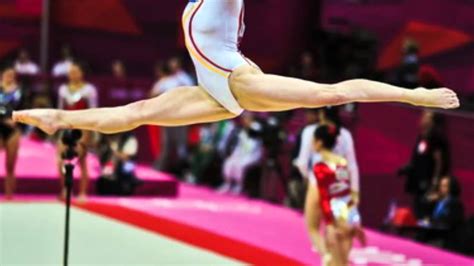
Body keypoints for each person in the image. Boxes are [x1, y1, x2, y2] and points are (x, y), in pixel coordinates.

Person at [13, 0, 459, 137]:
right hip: (211, 91)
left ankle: (413, 95)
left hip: (237, 81)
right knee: (136, 113)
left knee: (331, 93)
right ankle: (58, 119)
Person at [305, 125, 364, 266]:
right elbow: (344, 191)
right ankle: (328, 257)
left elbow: (325, 195)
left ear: (318, 143)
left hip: (330, 206)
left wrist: (330, 224)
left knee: (312, 228)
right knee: (342, 258)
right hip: (342, 209)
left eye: (313, 140)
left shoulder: (320, 166)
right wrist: (355, 219)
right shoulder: (341, 162)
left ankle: (326, 257)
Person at [295, 106, 360, 202]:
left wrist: (310, 178)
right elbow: (351, 167)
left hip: (317, 184)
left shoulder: (310, 131)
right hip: (338, 188)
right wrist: (354, 191)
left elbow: (302, 163)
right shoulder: (345, 135)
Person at [56, 63, 98, 201]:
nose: (72, 74)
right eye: (70, 72)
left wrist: (92, 132)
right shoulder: (63, 89)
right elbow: (60, 110)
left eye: (75, 71)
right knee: (61, 160)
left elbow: (94, 111)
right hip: (66, 126)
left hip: (83, 127)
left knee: (81, 160)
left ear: (82, 73)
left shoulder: (89, 90)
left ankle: (83, 192)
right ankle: (66, 190)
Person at [398, 110, 450, 218]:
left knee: (425, 206)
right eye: (424, 116)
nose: (424, 119)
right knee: (417, 204)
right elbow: (418, 157)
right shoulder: (421, 137)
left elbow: (439, 162)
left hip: (428, 180)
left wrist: (435, 181)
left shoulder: (436, 139)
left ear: (433, 121)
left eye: (428, 117)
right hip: (418, 177)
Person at [219, 112, 262, 195]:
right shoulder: (241, 129)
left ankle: (239, 185)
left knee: (241, 165)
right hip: (241, 153)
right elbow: (239, 145)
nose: (245, 120)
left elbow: (253, 145)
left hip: (253, 154)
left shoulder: (256, 128)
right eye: (244, 118)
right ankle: (228, 183)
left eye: (247, 118)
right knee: (229, 162)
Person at [0, 68, 25, 199]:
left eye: (12, 75)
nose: (9, 77)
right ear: (1, 75)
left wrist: (17, 120)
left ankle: (9, 195)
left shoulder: (19, 91)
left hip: (13, 130)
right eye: (7, 74)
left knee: (10, 165)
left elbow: (24, 108)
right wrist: (4, 119)